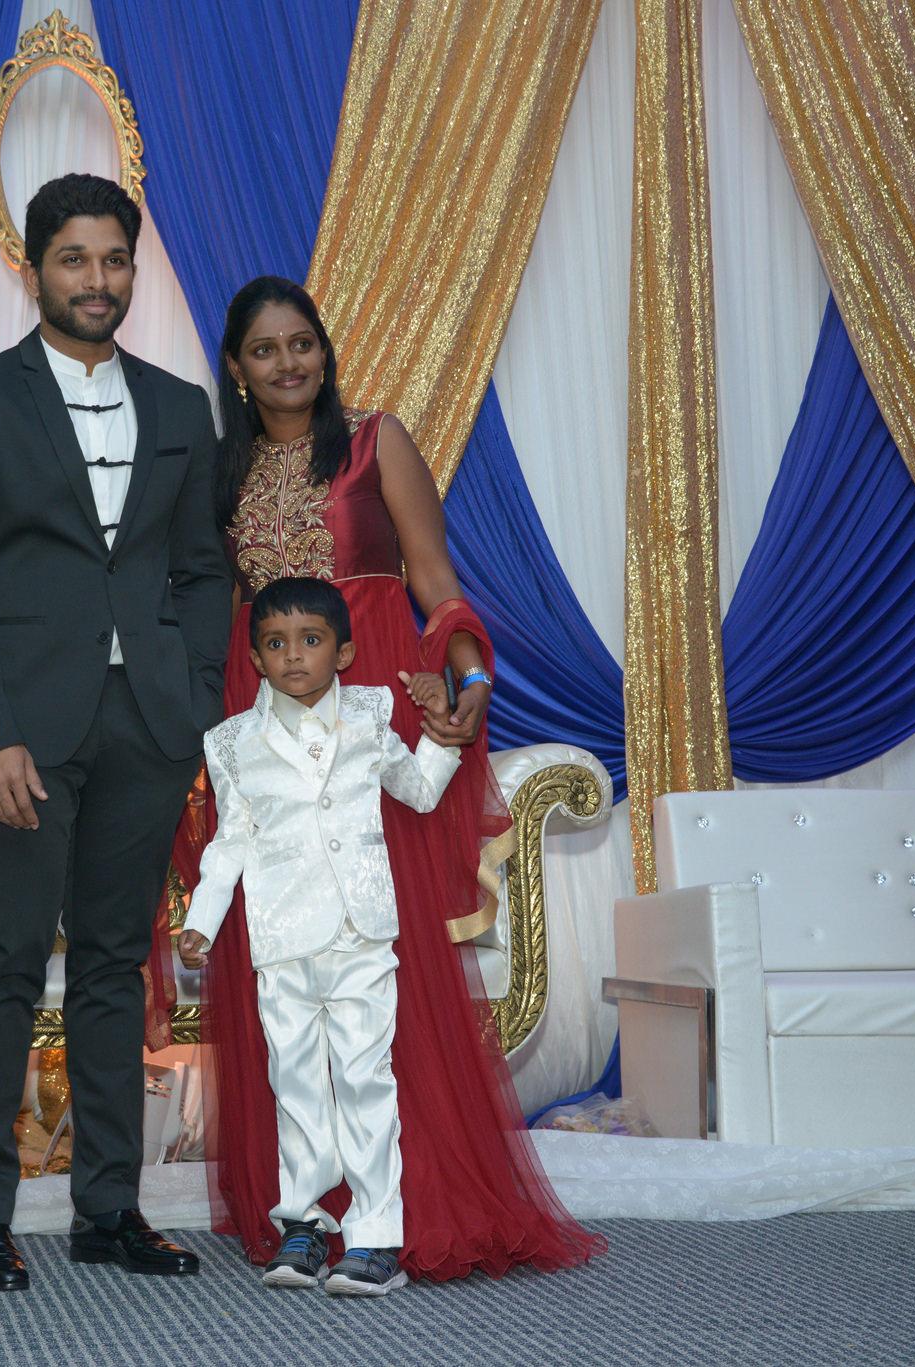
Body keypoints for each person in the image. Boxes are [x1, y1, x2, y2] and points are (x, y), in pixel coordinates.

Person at [156, 276, 604, 1280]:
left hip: (373, 709)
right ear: (235, 369)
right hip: (263, 711)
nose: (287, 363)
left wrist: (470, 679)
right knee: (281, 963)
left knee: (379, 958)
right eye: (264, 349)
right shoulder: (219, 470)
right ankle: (305, 1209)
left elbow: (434, 581)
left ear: (323, 350)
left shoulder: (374, 443)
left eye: (301, 343)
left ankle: (412, 1207)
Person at [0, 173, 233, 1290]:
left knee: (112, 964)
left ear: (130, 270)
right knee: (7, 960)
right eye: (74, 259)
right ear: (34, 268)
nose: (96, 280)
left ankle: (109, 1208)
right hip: (24, 732)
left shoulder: (180, 406)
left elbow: (201, 569)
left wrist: (195, 699)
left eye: (113, 260)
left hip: (148, 724)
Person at [178, 578, 463, 1296]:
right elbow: (229, 840)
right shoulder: (233, 742)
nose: (294, 656)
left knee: (366, 1078)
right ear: (255, 657)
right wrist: (201, 920)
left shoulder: (369, 714)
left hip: (361, 934)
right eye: (276, 643)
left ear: (344, 651)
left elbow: (419, 790)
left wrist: (442, 733)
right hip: (281, 940)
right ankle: (302, 1224)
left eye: (310, 640)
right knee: (297, 1082)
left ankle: (375, 1237)